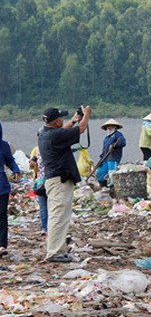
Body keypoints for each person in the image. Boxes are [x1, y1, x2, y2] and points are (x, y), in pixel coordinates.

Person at [38, 105, 91, 263]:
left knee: (60, 216)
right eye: (61, 118)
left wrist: (74, 120)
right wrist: (87, 115)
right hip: (59, 181)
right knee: (58, 216)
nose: (63, 119)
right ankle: (54, 253)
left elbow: (64, 131)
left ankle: (58, 250)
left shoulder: (44, 133)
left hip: (54, 180)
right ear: (55, 122)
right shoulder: (55, 136)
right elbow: (81, 130)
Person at [0, 122, 22, 258]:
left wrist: (16, 170)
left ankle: (2, 245)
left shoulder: (3, 146)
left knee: (2, 216)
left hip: (2, 186)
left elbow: (10, 160)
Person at [29, 130, 48, 236]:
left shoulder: (52, 148)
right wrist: (32, 163)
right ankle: (45, 228)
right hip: (41, 181)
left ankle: (49, 228)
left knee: (49, 206)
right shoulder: (37, 150)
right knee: (44, 206)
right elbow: (31, 164)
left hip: (51, 180)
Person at [97, 119, 126, 189]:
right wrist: (101, 159)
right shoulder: (107, 138)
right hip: (105, 158)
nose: (109, 127)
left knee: (112, 173)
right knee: (100, 172)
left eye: (111, 126)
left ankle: (112, 188)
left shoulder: (118, 135)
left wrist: (114, 145)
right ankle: (104, 186)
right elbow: (104, 149)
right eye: (108, 126)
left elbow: (123, 143)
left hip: (113, 157)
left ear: (115, 127)